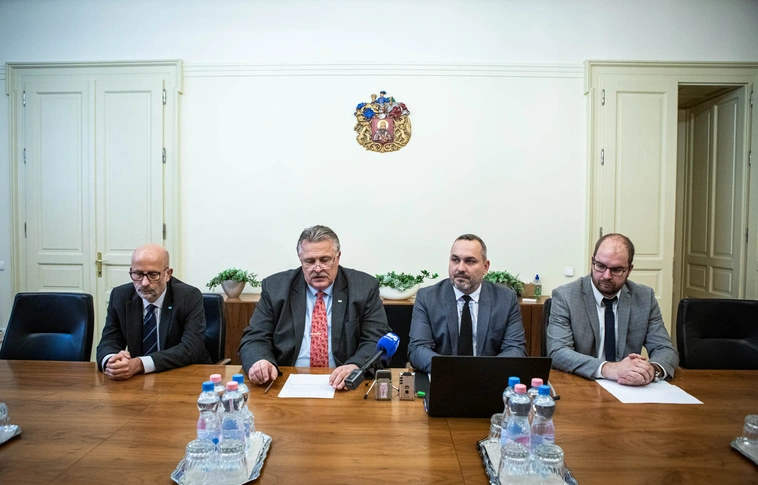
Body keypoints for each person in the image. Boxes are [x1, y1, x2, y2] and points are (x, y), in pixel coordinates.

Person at [239, 225, 391, 390]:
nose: (317, 268)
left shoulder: (363, 287)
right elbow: (255, 338)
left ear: (337, 258)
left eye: (325, 260)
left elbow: (376, 339)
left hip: (343, 384)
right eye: (310, 261)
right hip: (284, 382)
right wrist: (261, 361)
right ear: (301, 260)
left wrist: (356, 366)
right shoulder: (275, 288)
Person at [547, 233, 679, 385]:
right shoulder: (566, 296)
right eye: (600, 266)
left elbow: (665, 349)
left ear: (629, 269)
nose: (606, 275)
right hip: (582, 383)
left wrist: (650, 370)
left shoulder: (644, 297)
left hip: (630, 387)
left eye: (616, 269)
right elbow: (558, 352)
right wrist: (610, 369)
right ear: (592, 261)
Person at [408, 234, 527, 374]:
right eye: (455, 260)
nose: (460, 268)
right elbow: (417, 349)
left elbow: (515, 350)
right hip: (444, 377)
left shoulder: (505, 299)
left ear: (485, 267)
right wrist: (454, 371)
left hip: (488, 378)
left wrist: (479, 372)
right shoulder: (428, 298)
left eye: (470, 261)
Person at [96, 244, 211, 380]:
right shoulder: (120, 296)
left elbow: (191, 349)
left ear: (168, 274)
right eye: (138, 274)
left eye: (153, 274)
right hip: (137, 380)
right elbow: (109, 341)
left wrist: (140, 364)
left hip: (184, 376)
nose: (144, 283)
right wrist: (111, 361)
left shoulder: (188, 296)